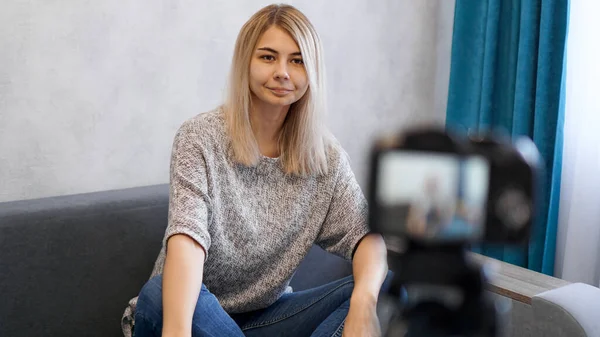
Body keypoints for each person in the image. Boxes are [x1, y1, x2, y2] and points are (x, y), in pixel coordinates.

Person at [121, 4, 388, 337]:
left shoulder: (325, 157)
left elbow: (368, 238)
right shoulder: (200, 138)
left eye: (297, 60)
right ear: (245, 62)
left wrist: (363, 303)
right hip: (191, 314)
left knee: (382, 287)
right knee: (159, 293)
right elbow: (187, 241)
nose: (283, 72)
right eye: (267, 57)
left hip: (268, 319)